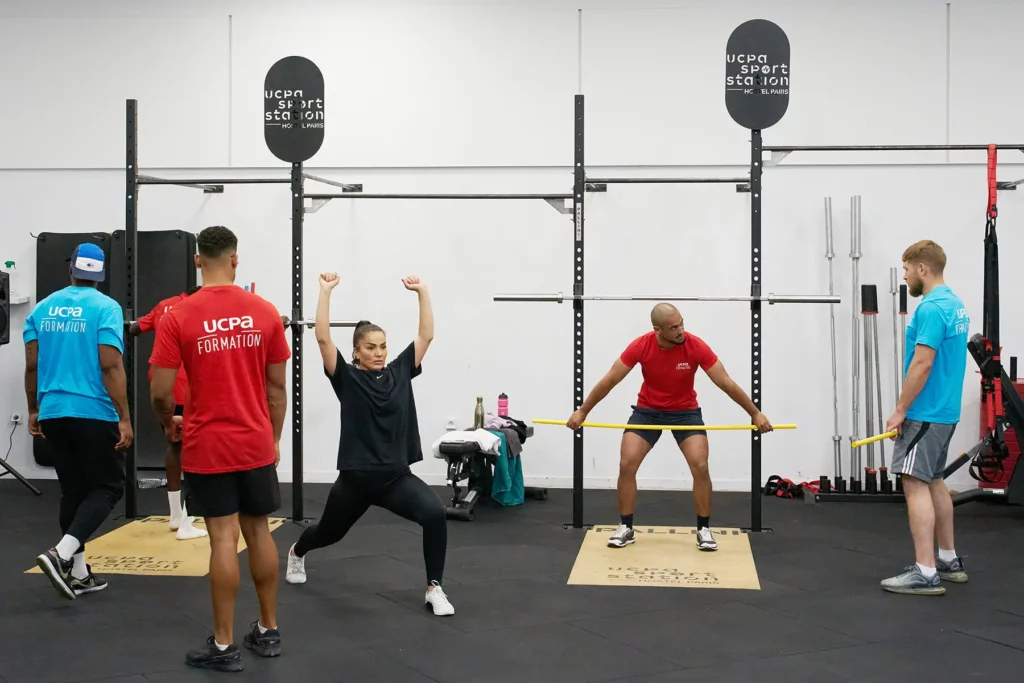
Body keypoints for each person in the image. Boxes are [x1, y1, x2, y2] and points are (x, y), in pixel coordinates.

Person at [149, 226, 290, 672]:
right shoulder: (264, 311)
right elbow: (277, 389)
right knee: (259, 531)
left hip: (208, 444)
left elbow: (160, 391)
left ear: (197, 261)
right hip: (253, 442)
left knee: (223, 538)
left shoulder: (179, 315)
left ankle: (225, 643)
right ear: (235, 260)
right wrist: (274, 438)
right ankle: (268, 630)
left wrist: (167, 422)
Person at [284, 272, 454, 617]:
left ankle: (434, 587)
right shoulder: (346, 378)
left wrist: (422, 291)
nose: (378, 353)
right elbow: (321, 339)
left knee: (435, 515)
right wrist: (325, 291)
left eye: (382, 346)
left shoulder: (401, 370)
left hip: (395, 478)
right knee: (329, 533)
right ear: (356, 352)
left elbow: (427, 335)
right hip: (356, 480)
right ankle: (297, 552)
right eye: (370, 348)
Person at [567, 303, 773, 551]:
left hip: (685, 413)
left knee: (700, 464)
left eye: (681, 323)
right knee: (626, 463)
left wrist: (755, 413)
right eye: (673, 327)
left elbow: (725, 382)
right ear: (658, 330)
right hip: (648, 412)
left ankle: (704, 530)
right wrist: (583, 411)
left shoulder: (695, 346)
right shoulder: (641, 346)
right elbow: (611, 379)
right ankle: (626, 527)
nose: (680, 331)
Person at [24, 242, 133, 600]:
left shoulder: (41, 309)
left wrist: (33, 409)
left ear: (71, 269)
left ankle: (80, 573)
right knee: (109, 487)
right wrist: (125, 417)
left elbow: (32, 365)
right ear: (99, 275)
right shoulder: (107, 308)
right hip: (93, 411)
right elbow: (110, 365)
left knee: (74, 489)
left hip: (53, 411)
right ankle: (61, 554)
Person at [882, 240, 970, 596]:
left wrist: (901, 410)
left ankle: (925, 572)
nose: (904, 276)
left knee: (914, 482)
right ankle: (947, 560)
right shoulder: (956, 304)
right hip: (944, 412)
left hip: (925, 412)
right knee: (934, 480)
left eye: (906, 269)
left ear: (922, 268)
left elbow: (923, 362)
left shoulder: (931, 308)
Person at [129, 286, 206, 541]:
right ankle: (186, 520)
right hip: (189, 384)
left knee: (175, 443)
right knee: (196, 448)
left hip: (162, 382)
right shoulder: (200, 308)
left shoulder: (165, 304)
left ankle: (176, 516)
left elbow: (135, 328)